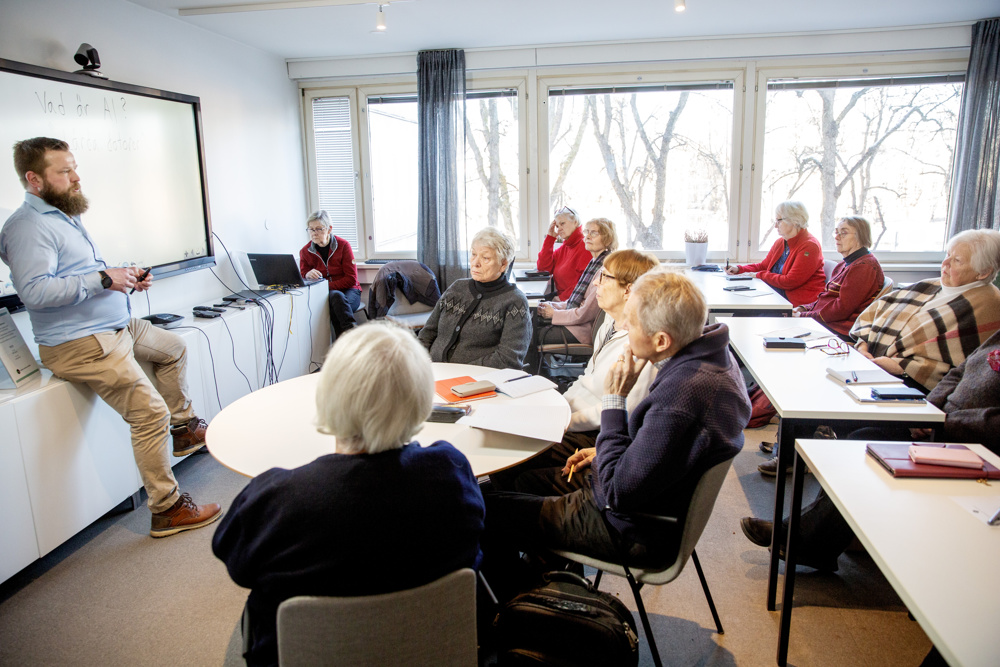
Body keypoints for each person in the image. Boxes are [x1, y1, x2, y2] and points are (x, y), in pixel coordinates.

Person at [212, 323, 485, 667]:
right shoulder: (452, 473)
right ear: (421, 401)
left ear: (328, 394)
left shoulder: (279, 499)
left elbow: (237, 565)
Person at [0, 137, 220, 538]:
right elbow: (35, 292)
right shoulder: (26, 227)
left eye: (74, 168)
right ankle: (167, 508)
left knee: (173, 347)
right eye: (64, 171)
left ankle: (184, 428)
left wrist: (124, 278)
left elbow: (78, 276)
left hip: (114, 326)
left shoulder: (61, 215)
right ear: (34, 179)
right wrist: (103, 278)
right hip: (80, 342)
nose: (76, 178)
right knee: (149, 412)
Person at [482, 272, 751, 596]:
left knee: (481, 507)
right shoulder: (714, 355)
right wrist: (608, 450)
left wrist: (614, 400)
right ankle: (549, 589)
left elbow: (614, 492)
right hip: (653, 502)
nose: (623, 328)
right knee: (524, 482)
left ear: (662, 340)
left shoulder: (681, 397)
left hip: (632, 527)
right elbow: (661, 446)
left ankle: (515, 604)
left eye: (631, 324)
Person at [741, 328, 1000, 572]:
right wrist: (931, 410)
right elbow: (959, 371)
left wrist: (945, 422)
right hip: (940, 423)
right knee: (861, 439)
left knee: (865, 450)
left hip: (976, 445)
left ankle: (800, 536)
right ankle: (817, 543)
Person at [851, 228, 1000, 391]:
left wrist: (900, 367)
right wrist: (863, 346)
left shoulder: (987, 305)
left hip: (909, 385)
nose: (945, 263)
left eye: (957, 260)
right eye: (947, 255)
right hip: (867, 364)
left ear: (983, 272)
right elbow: (875, 311)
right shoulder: (930, 285)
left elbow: (960, 367)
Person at [418, 228, 530, 370]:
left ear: (503, 264)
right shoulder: (457, 287)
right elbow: (427, 333)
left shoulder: (515, 302)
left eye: (485, 258)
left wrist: (458, 371)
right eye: (473, 254)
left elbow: (508, 359)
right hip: (433, 373)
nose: (475, 263)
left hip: (476, 381)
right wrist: (420, 360)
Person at [791, 216, 884, 338]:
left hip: (839, 330)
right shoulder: (846, 263)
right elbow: (825, 298)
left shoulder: (864, 267)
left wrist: (804, 316)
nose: (837, 237)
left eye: (843, 233)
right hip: (826, 323)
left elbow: (841, 310)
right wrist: (803, 309)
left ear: (860, 236)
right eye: (837, 232)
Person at [725, 201, 825, 307]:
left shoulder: (810, 246)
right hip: (777, 295)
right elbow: (763, 266)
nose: (775, 226)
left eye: (779, 220)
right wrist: (739, 269)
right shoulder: (780, 242)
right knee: (741, 308)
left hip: (797, 304)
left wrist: (759, 275)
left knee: (746, 311)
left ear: (795, 221)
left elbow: (790, 281)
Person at [536, 217, 617, 346]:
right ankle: (542, 366)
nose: (588, 237)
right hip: (574, 324)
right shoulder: (594, 262)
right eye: (587, 232)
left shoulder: (604, 271)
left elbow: (584, 313)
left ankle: (539, 367)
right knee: (529, 323)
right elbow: (575, 301)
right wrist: (552, 306)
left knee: (528, 334)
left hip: (581, 330)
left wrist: (554, 314)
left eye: (594, 233)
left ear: (607, 238)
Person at [298, 210, 361, 339]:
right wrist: (307, 274)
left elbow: (351, 279)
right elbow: (303, 275)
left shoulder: (343, 246)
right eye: (311, 229)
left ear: (329, 229)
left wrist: (326, 287)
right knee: (336, 301)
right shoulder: (305, 252)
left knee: (336, 304)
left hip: (350, 290)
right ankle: (352, 339)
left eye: (319, 229)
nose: (314, 233)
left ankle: (342, 349)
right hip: (326, 294)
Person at [537, 205, 591, 301]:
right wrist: (550, 238)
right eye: (557, 226)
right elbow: (543, 269)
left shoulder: (585, 246)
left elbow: (584, 284)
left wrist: (560, 299)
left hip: (573, 301)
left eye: (563, 223)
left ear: (575, 222)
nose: (559, 229)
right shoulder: (565, 247)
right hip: (563, 298)